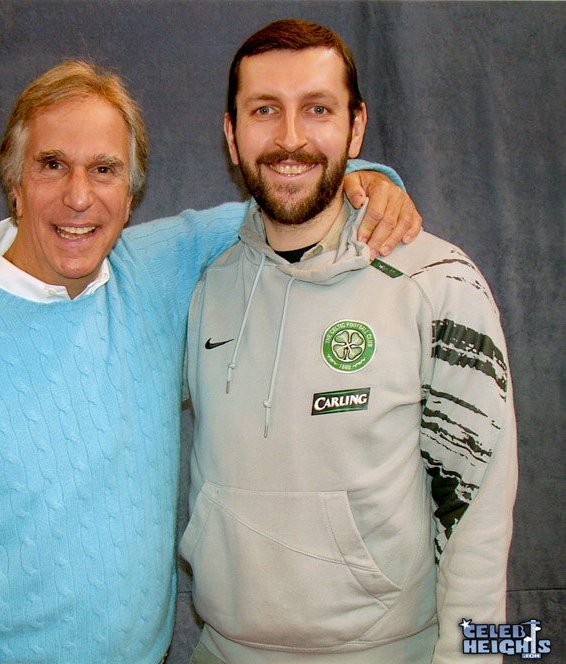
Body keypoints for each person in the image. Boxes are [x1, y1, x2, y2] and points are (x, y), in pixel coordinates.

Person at [0, 61, 416, 663]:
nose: (79, 197)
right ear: (15, 181)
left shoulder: (160, 268)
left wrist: (371, 176)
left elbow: (290, 196)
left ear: (132, 190)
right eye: (52, 165)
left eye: (105, 169)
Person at [179, 19, 517, 664]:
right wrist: (0, 272)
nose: (289, 138)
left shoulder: (437, 283)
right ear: (231, 134)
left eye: (317, 109)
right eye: (263, 111)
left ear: (356, 128)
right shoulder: (204, 289)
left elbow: (478, 513)